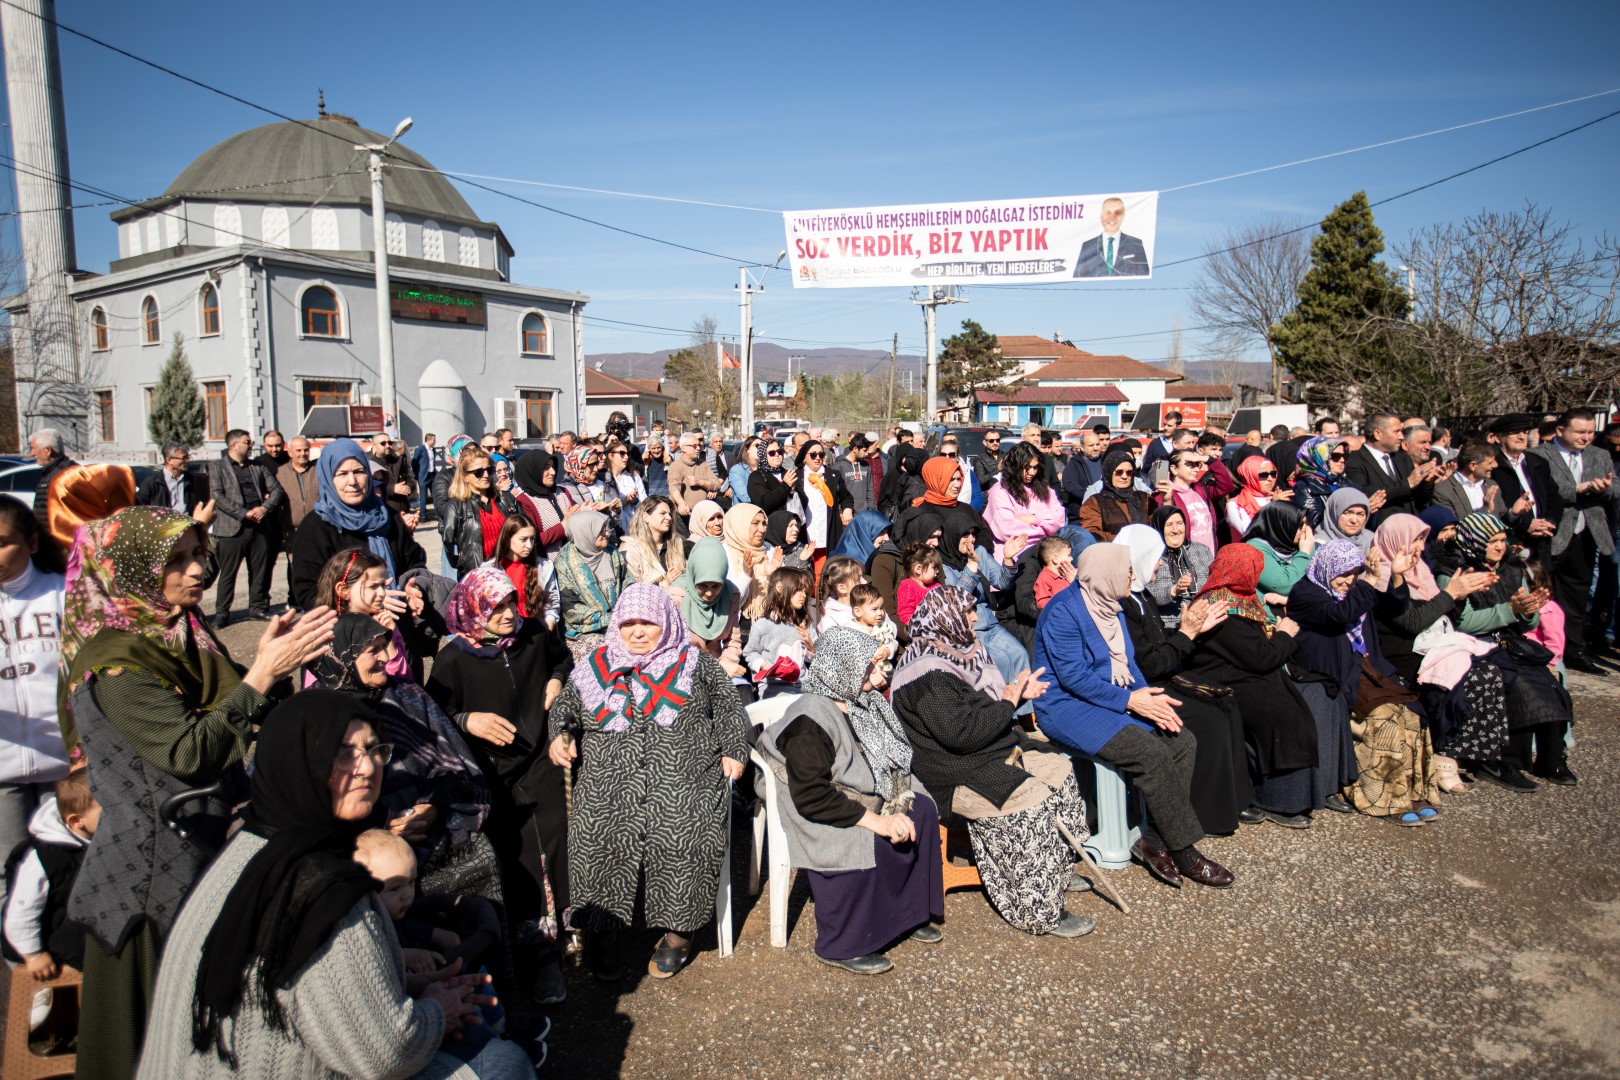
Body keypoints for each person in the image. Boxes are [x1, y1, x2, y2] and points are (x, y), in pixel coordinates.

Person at [61, 508, 335, 1078]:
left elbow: (229, 705)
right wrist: (263, 675)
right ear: (133, 571)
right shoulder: (118, 661)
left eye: (198, 555)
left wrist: (273, 665)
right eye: (177, 560)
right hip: (148, 883)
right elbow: (189, 752)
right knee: (141, 1046)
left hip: (198, 856)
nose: (198, 572)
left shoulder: (179, 631)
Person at [137, 691, 523, 1079]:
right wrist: (439, 1009)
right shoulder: (327, 889)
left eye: (374, 748)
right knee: (506, 1064)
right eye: (342, 752)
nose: (367, 767)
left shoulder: (249, 849)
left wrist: (404, 990)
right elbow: (386, 1054)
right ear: (296, 763)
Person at [547, 584, 749, 981]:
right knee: (595, 831)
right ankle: (602, 930)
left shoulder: (695, 663)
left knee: (685, 830)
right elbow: (566, 708)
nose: (637, 632)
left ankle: (679, 933)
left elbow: (728, 706)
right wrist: (561, 735)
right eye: (628, 624)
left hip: (685, 779)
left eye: (647, 623)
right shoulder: (594, 667)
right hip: (608, 783)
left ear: (667, 623)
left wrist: (733, 750)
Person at [889, 586, 1097, 938]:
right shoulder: (925, 673)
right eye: (968, 611)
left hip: (988, 748)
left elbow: (979, 711)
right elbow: (962, 734)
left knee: (1057, 769)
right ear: (947, 619)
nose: (975, 617)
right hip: (952, 772)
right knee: (1026, 797)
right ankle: (1039, 907)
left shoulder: (960, 651)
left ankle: (1056, 867)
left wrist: (1012, 696)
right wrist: (1008, 703)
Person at [1031, 545, 1233, 889]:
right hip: (1065, 705)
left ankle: (1153, 835)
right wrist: (1130, 702)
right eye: (1126, 570)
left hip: (1107, 694)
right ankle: (1184, 851)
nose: (1132, 576)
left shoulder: (1113, 606)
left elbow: (1129, 664)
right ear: (1106, 573)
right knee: (1149, 751)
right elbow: (1073, 678)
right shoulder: (1063, 612)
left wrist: (1149, 698)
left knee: (1180, 738)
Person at [756, 628, 945, 975]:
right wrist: (877, 820)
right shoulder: (809, 720)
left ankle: (909, 915)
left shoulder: (861, 701)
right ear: (842, 669)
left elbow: (889, 757)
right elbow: (812, 794)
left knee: (923, 808)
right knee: (862, 839)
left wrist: (894, 800)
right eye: (868, 667)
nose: (880, 673)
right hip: (816, 797)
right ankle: (844, 943)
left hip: (860, 784)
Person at [424, 570, 575, 1003]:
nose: (509, 615)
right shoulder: (454, 658)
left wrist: (555, 680)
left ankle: (569, 922)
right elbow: (435, 712)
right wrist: (468, 721)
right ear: (474, 610)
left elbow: (562, 659)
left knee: (561, 831)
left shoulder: (532, 634)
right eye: (496, 608)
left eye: (511, 604)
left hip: (541, 756)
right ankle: (533, 941)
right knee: (516, 851)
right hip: (491, 769)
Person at [1182, 544, 1347, 831]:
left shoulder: (1242, 597)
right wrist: (1284, 635)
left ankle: (1323, 785)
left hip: (1249, 670)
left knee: (1324, 693)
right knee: (1281, 711)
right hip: (1226, 679)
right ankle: (1278, 799)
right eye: (1255, 568)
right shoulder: (1219, 606)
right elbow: (1259, 657)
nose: (1258, 574)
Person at [1287, 539, 1438, 824]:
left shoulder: (1356, 589)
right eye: (1343, 574)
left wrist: (1395, 576)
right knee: (1385, 720)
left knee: (1411, 716)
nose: (1349, 580)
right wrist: (1368, 580)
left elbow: (1390, 609)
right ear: (1327, 567)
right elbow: (1339, 614)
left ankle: (1411, 791)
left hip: (1364, 668)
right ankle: (1384, 799)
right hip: (1332, 675)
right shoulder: (1305, 593)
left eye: (1354, 573)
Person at [1113, 525, 1252, 836]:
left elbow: (1160, 649)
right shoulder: (1122, 603)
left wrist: (1193, 631)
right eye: (1156, 557)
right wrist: (1188, 633)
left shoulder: (1141, 595)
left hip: (1161, 676)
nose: (1160, 564)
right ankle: (1204, 814)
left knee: (1225, 701)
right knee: (1208, 718)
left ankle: (1234, 801)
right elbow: (1147, 664)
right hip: (1142, 688)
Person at [1368, 514, 1508, 795]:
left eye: (1422, 539)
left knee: (1491, 668)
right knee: (1464, 675)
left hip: (1431, 643)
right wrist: (1450, 594)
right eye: (1414, 539)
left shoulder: (1421, 571)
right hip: (1399, 653)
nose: (1419, 547)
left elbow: (1442, 617)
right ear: (1396, 540)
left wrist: (1461, 594)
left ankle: (1473, 753)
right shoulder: (1379, 575)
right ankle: (1445, 753)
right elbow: (1409, 623)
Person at [1440, 513, 1576, 787]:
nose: (1500, 546)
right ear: (1474, 540)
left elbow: (1528, 619)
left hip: (1508, 642)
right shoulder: (1453, 570)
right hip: (1471, 645)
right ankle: (1502, 761)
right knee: (1519, 684)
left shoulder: (1512, 569)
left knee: (1551, 682)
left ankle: (1551, 758)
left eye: (1502, 540)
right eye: (1493, 541)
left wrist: (1527, 611)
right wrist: (1510, 611)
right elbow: (1462, 621)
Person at [0, 501, 67, 926]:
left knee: (63, 868)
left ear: (32, 541)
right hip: (3, 770)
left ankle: (67, 967)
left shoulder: (64, 593)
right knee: (9, 873)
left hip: (65, 763)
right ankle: (23, 970)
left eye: (3, 543)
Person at [289, 438, 426, 611]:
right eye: (342, 474)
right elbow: (307, 591)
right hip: (346, 630)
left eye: (359, 471)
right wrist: (364, 605)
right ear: (328, 479)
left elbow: (414, 563)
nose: (352, 481)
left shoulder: (387, 516)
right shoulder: (315, 526)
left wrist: (411, 587)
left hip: (399, 620)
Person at [1530, 407, 1617, 674]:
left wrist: (1605, 488)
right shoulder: (1539, 455)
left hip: (1586, 533)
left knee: (1578, 594)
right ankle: (1536, 643)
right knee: (1541, 588)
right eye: (1580, 432)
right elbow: (1542, 490)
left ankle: (1574, 648)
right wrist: (1578, 489)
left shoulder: (1599, 455)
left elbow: (1615, 487)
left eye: (1590, 432)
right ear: (1560, 431)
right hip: (1552, 532)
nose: (1586, 437)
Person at [205, 429, 285, 624]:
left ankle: (257, 608)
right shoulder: (217, 467)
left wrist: (264, 509)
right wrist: (243, 513)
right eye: (247, 442)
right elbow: (217, 495)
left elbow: (276, 489)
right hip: (232, 528)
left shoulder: (257, 466)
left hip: (259, 526)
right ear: (234, 445)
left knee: (259, 570)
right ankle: (222, 613)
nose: (251, 446)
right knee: (228, 573)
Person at [554, 509, 628, 662]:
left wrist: (626, 615)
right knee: (606, 654)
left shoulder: (613, 554)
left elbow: (628, 585)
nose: (607, 533)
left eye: (607, 529)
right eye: (601, 531)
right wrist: (610, 619)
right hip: (584, 633)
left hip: (620, 622)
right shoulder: (564, 563)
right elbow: (572, 610)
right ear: (585, 533)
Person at [440, 447, 523, 577]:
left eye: (489, 470)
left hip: (512, 570)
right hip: (479, 575)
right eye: (478, 472)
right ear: (465, 476)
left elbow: (523, 528)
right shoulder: (455, 506)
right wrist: (464, 564)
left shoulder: (505, 498)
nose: (485, 476)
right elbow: (449, 543)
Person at [1487, 413, 1559, 564]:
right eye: (1514, 433)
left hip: (1541, 540)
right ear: (1499, 438)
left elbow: (1554, 497)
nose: (1522, 436)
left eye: (1525, 432)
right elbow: (1494, 507)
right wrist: (1526, 525)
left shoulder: (1537, 462)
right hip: (1511, 541)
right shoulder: (1492, 466)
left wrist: (1549, 522)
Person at [1344, 411, 1435, 525]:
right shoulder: (1354, 460)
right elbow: (1364, 493)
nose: (1401, 437)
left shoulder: (1402, 459)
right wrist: (1407, 483)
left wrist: (1427, 483)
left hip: (1408, 529)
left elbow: (1419, 500)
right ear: (1378, 434)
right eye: (1397, 432)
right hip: (1378, 530)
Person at [743, 566, 817, 697]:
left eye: (805, 591)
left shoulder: (804, 624)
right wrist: (763, 666)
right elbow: (750, 652)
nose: (803, 595)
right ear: (779, 587)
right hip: (775, 689)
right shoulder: (763, 625)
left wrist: (810, 645)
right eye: (799, 589)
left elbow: (813, 658)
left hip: (804, 688)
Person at [794, 439, 853, 581]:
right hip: (805, 528)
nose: (818, 458)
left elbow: (846, 497)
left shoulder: (832, 475)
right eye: (813, 455)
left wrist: (847, 509)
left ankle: (822, 596)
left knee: (826, 567)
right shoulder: (796, 476)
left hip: (827, 527)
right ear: (804, 457)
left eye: (821, 454)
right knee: (805, 566)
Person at [1145, 505, 1212, 629]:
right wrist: (1174, 590)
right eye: (1169, 525)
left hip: (1203, 621)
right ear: (1159, 527)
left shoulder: (1202, 551)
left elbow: (1213, 586)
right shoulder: (1151, 556)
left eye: (1180, 523)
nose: (1175, 530)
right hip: (1168, 625)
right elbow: (1147, 596)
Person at [488, 516, 560, 629]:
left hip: (537, 632)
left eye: (532, 539)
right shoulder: (490, 570)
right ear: (508, 538)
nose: (529, 545)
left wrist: (547, 632)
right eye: (523, 539)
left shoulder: (544, 567)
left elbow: (551, 604)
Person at [1245, 501, 1316, 616]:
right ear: (1282, 525)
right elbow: (1283, 585)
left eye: (1306, 524)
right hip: (1270, 619)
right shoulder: (1254, 550)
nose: (1305, 530)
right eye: (1299, 525)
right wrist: (1304, 554)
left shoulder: (1298, 545)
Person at [512, 449, 577, 559]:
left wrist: (586, 512)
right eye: (546, 467)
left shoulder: (562, 492)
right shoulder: (524, 501)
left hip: (574, 562)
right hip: (547, 566)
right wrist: (563, 526)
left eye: (553, 466)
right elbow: (533, 541)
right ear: (533, 471)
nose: (553, 472)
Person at [721, 503, 781, 617]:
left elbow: (783, 599)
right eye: (755, 523)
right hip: (733, 625)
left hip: (766, 622)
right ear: (739, 525)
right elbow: (726, 603)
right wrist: (746, 575)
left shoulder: (771, 552)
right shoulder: (723, 554)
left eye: (764, 523)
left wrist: (772, 577)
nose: (762, 529)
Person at [1078, 449, 1151, 543]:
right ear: (1108, 472)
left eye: (1129, 472)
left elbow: (1160, 523)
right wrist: (1127, 540)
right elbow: (1091, 534)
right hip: (1112, 553)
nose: (1124, 476)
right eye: (1119, 472)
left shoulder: (1143, 498)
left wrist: (1167, 499)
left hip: (1145, 553)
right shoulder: (1095, 502)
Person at [1156, 448, 1221, 552]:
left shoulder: (1201, 489)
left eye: (1197, 465)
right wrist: (1167, 499)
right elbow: (1164, 527)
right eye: (1190, 465)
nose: (1196, 469)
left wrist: (1206, 459)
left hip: (1209, 557)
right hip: (1186, 560)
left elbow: (1226, 485)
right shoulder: (1164, 494)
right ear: (1174, 469)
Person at [622, 495, 687, 597]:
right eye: (662, 513)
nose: (669, 518)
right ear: (646, 517)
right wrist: (665, 583)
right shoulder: (630, 548)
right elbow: (631, 589)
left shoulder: (678, 544)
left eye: (669, 514)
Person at [1073, 196, 1149, 277]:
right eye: (1108, 212)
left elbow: (1144, 274)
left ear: (1123, 216)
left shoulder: (1136, 244)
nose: (1112, 217)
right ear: (1101, 216)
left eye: (1117, 212)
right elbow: (1078, 277)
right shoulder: (1087, 246)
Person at [274, 436, 319, 570]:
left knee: (316, 562)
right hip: (292, 528)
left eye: (306, 450)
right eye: (298, 450)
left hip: (316, 526)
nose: (302, 454)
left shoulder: (317, 470)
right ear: (290, 452)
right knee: (295, 565)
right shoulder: (280, 473)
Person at [1432, 442, 1505, 519]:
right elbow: (1453, 527)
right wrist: (1486, 510)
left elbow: (1502, 516)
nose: (1495, 465)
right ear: (1473, 466)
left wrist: (1513, 513)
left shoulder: (1491, 484)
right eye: (1490, 463)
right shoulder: (1443, 491)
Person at [135, 443, 210, 518]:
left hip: (189, 526)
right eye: (184, 458)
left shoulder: (193, 481)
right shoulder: (152, 483)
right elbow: (139, 509)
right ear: (169, 460)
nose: (187, 461)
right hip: (164, 527)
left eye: (188, 457)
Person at [1291, 436, 1347, 529]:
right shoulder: (1304, 487)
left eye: (1344, 456)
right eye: (1335, 456)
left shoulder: (1347, 484)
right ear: (1318, 458)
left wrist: (1367, 511)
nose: (1342, 460)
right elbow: (1313, 523)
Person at [28, 428, 75, 537]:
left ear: (48, 450)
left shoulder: (68, 474)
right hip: (48, 542)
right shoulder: (49, 473)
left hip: (61, 543)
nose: (32, 453)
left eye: (34, 448)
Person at [1226, 455, 1285, 540]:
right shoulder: (1235, 504)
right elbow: (1250, 532)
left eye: (1273, 473)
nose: (1270, 479)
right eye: (1263, 475)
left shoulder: (1277, 498)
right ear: (1250, 476)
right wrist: (1274, 508)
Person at [670, 432, 725, 521]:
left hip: (703, 514)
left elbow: (717, 485)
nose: (698, 448)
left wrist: (700, 482)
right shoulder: (676, 466)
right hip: (683, 515)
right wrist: (681, 503)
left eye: (699, 445)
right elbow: (674, 488)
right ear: (684, 448)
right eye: (694, 446)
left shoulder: (703, 464)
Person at [748, 439, 797, 516]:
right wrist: (785, 486)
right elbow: (763, 504)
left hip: (790, 522)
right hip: (771, 524)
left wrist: (793, 491)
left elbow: (804, 501)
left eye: (779, 451)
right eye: (772, 453)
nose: (777, 455)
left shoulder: (787, 473)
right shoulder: (757, 476)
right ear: (763, 455)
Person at [1319, 487, 1374, 556]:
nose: (1354, 520)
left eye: (1360, 514)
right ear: (1334, 512)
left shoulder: (1372, 541)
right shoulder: (1319, 545)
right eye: (1347, 513)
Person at [831, 433, 877, 513]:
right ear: (855, 449)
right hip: (846, 514)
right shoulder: (838, 466)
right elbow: (835, 493)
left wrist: (871, 510)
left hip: (864, 514)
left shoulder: (866, 466)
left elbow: (870, 491)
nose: (867, 454)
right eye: (864, 451)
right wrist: (840, 512)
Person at [1032, 536, 1075, 612]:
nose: (1072, 558)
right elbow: (1042, 603)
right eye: (1068, 555)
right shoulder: (1044, 578)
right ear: (1055, 559)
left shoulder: (1066, 574)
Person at [970, 429, 1005, 495]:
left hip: (1004, 495)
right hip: (988, 497)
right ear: (985, 442)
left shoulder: (1006, 456)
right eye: (991, 441)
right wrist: (997, 471)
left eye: (997, 440)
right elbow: (980, 481)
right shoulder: (979, 459)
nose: (995, 443)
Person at [728, 436, 761, 507]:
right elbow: (745, 497)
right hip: (744, 513)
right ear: (747, 449)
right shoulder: (737, 470)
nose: (760, 449)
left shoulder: (764, 469)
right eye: (757, 446)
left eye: (762, 447)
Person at [412, 433, 438, 520]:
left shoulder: (433, 450)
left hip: (432, 475)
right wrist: (417, 474)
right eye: (434, 440)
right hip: (423, 476)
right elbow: (414, 462)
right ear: (429, 440)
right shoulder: (420, 449)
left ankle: (438, 513)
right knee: (423, 496)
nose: (435, 441)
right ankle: (423, 515)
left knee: (435, 494)